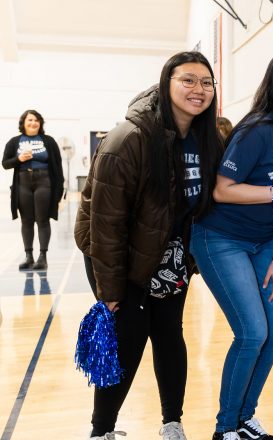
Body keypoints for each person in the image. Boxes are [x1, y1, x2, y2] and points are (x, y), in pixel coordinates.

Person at [75, 51, 224, 440]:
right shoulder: (130, 137)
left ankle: (172, 423)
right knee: (128, 340)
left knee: (169, 335)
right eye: (188, 80)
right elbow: (104, 223)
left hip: (170, 255)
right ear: (166, 83)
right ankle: (101, 431)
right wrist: (110, 290)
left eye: (206, 82)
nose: (198, 89)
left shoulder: (207, 140)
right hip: (119, 255)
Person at [190, 50, 273, 440]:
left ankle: (245, 418)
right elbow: (223, 190)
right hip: (221, 238)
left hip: (267, 241)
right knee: (251, 332)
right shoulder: (258, 129)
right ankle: (224, 427)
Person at [3, 109, 65, 271]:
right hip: (23, 183)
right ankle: (28, 256)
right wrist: (19, 159)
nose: (33, 123)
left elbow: (58, 167)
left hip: (44, 182)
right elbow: (5, 163)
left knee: (42, 219)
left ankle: (42, 257)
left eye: (36, 120)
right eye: (30, 120)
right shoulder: (14, 141)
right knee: (27, 221)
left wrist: (60, 191)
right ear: (23, 122)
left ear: (40, 123)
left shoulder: (49, 141)